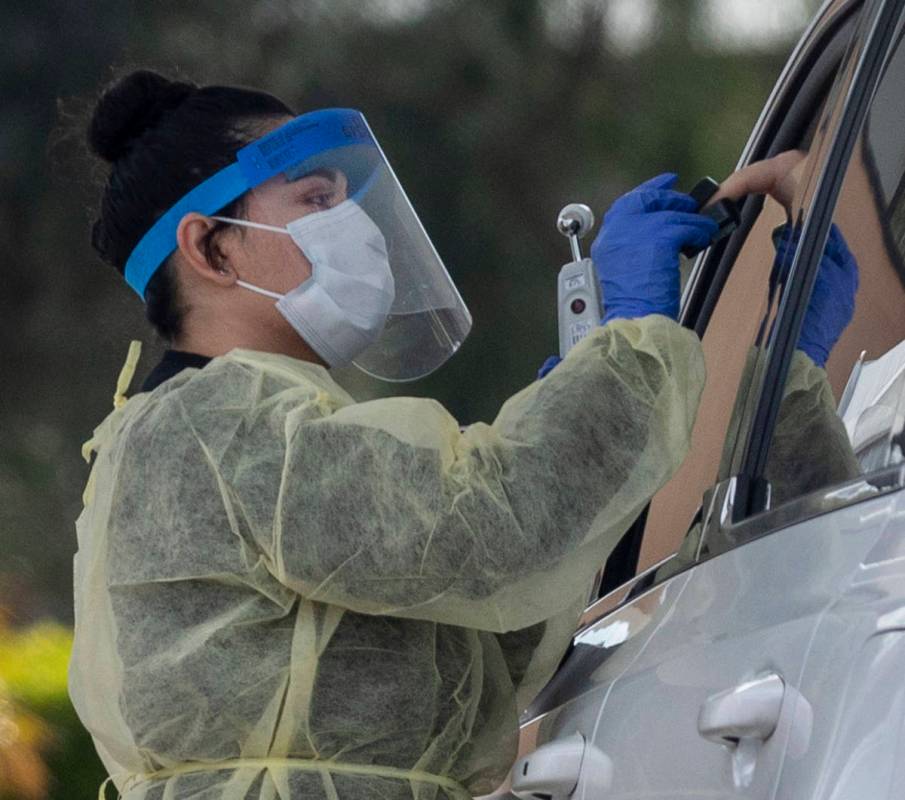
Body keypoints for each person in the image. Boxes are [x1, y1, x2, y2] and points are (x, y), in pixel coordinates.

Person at [70, 69, 722, 800]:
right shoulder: (225, 426)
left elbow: (473, 649)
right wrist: (627, 352)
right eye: (316, 198)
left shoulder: (209, 426)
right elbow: (491, 535)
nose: (355, 223)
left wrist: (576, 413)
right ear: (212, 249)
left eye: (348, 197)